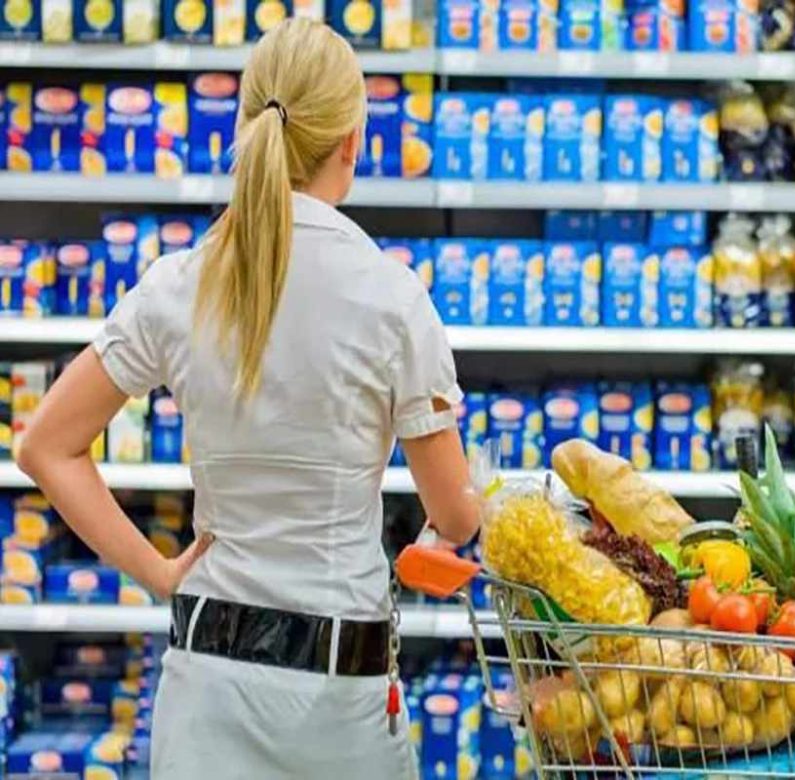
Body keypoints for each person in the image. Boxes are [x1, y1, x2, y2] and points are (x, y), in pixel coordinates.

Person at [17, 19, 479, 778]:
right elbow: (455, 517)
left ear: (245, 124)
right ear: (352, 142)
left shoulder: (179, 283)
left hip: (206, 689)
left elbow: (46, 446)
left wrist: (159, 571)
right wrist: (468, 506)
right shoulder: (392, 297)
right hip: (339, 701)